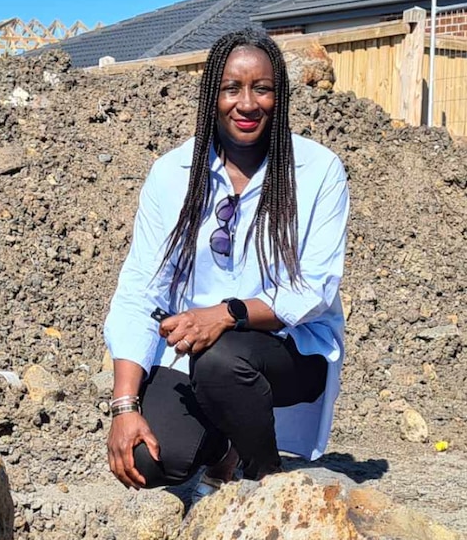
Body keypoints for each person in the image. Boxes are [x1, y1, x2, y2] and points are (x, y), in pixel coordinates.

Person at [103, 28, 349, 499]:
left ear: (280, 96)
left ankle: (265, 484)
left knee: (222, 359)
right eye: (232, 88)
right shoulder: (173, 174)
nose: (247, 103)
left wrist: (226, 314)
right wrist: (124, 406)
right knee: (146, 459)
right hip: (193, 354)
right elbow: (140, 288)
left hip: (289, 349)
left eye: (262, 88)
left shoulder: (317, 171)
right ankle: (221, 451)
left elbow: (314, 287)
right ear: (211, 94)